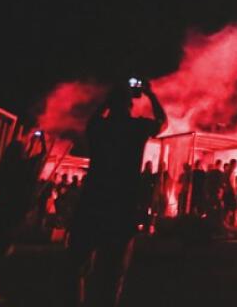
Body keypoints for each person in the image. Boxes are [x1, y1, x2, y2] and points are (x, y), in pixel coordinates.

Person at [68, 79, 167, 307]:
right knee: (113, 274)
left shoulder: (98, 127)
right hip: (123, 206)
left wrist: (108, 99)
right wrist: (150, 95)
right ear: (130, 105)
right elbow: (162, 123)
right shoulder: (136, 127)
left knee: (78, 267)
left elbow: (93, 119)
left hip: (92, 203)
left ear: (109, 104)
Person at [0, 128, 47, 301]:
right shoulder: (22, 167)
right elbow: (41, 156)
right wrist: (41, 140)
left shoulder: (6, 167)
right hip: (12, 213)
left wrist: (31, 143)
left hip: (2, 210)